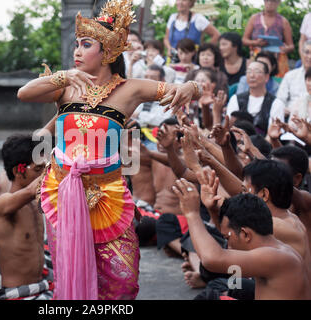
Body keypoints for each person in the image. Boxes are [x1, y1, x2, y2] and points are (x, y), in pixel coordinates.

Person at [17, 0, 201, 300]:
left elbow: (183, 89)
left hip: (110, 193)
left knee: (122, 283)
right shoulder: (66, 86)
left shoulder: (130, 89)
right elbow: (23, 93)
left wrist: (191, 88)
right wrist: (62, 77)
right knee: (72, 272)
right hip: (63, 191)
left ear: (108, 52)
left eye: (85, 44)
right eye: (76, 44)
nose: (76, 51)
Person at [173, 181, 311, 300]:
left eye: (228, 238)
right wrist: (213, 209)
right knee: (225, 286)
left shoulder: (276, 256)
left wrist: (192, 214)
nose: (228, 246)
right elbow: (222, 244)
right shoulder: (272, 247)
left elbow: (211, 259)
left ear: (245, 234)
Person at [0, 134, 53, 300]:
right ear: (18, 171)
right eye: (37, 169)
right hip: (17, 294)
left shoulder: (33, 202)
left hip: (42, 288)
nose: (43, 174)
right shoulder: (4, 203)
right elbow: (30, 190)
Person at [226, 60, 285, 136]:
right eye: (249, 71)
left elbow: (274, 132)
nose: (252, 75)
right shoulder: (236, 99)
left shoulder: (276, 103)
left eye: (257, 72)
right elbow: (229, 127)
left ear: (267, 77)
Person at [242, 0, 294, 78]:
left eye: (273, 1)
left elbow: (291, 46)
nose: (269, 3)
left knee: (277, 83)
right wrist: (256, 43)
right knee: (255, 78)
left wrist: (284, 48)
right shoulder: (254, 18)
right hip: (256, 57)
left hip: (277, 59)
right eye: (267, 1)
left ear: (278, 2)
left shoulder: (283, 21)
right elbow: (244, 40)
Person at [277, 40, 311, 114]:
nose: (309, 56)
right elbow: (280, 99)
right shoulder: (290, 76)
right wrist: (284, 109)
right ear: (301, 53)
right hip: (291, 117)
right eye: (307, 52)